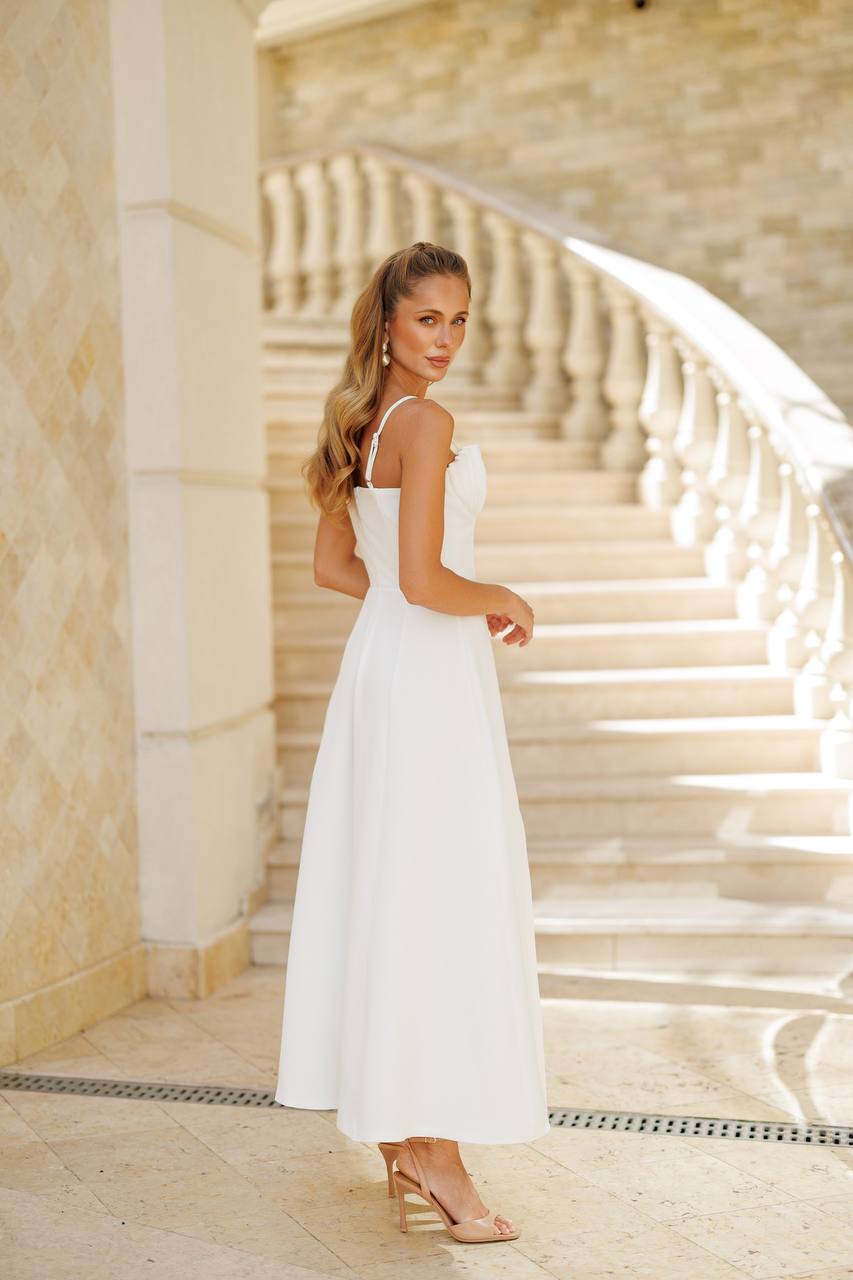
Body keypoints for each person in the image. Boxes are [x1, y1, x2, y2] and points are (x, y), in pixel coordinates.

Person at [274, 242, 549, 1244]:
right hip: (424, 683)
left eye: (461, 319)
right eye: (430, 317)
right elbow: (428, 577)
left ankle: (402, 1124)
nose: (447, 339)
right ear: (388, 321)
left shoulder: (365, 420)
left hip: (389, 668)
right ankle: (435, 1150)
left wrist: (428, 608)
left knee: (405, 888)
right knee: (438, 894)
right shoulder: (423, 422)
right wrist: (499, 598)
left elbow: (340, 567)